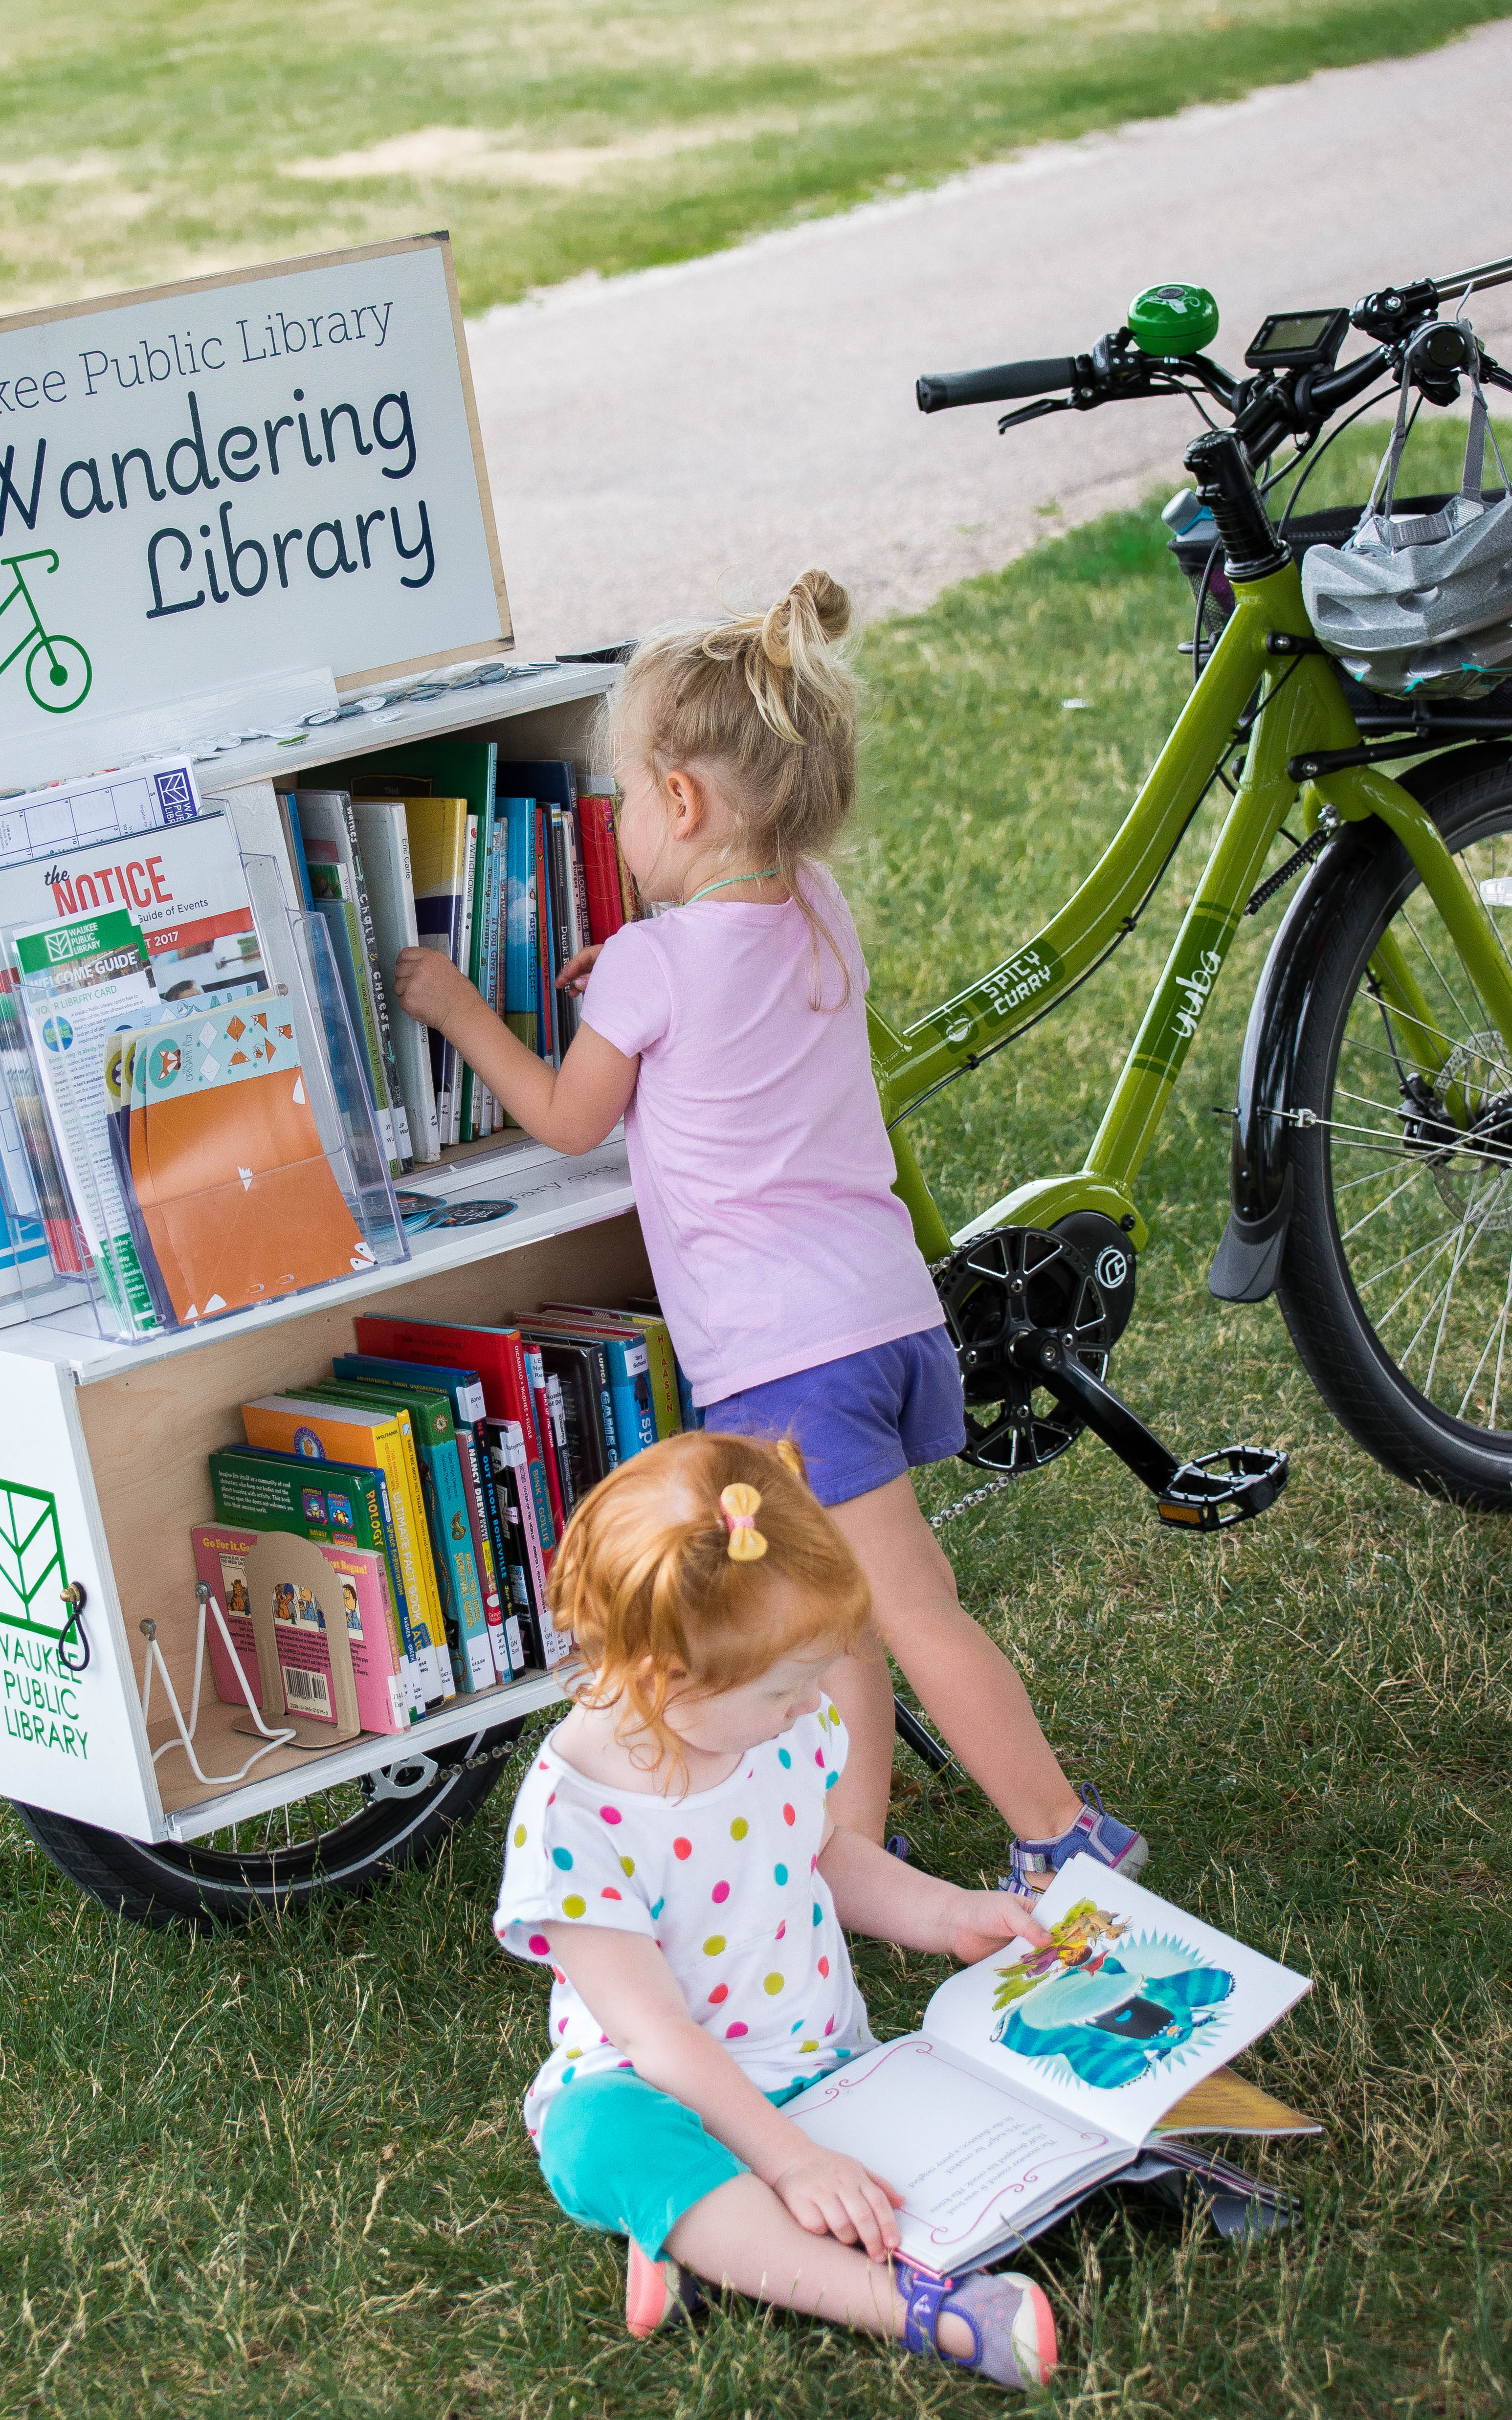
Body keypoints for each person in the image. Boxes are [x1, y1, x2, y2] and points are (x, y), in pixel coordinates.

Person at [394, 569, 1145, 1894]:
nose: (625, 818)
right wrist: (626, 986)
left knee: (904, 1612)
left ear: (679, 801)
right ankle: (853, 1838)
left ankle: (1062, 1834)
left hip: (786, 1358)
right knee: (833, 1608)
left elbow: (572, 1121)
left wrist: (462, 1012)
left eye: (627, 792)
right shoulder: (815, 910)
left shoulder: (652, 965)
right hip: (888, 1323)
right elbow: (721, 1008)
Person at [492, 1430, 1058, 2382]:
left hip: (825, 2065)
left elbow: (825, 1853)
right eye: (786, 1687)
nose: (808, 1708)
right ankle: (924, 2312)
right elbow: (661, 2040)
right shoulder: (575, 1821)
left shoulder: (772, 1730)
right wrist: (793, 2162)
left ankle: (710, 2245)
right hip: (665, 2087)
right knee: (604, 2142)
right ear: (665, 1677)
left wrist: (949, 1913)